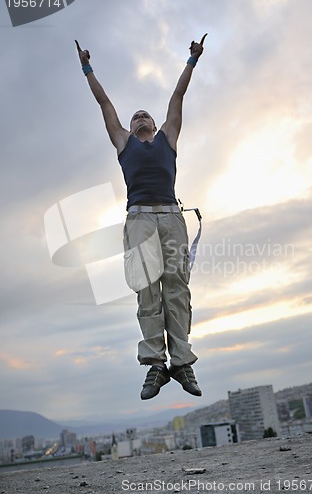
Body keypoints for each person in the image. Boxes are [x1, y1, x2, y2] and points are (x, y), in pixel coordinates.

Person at [75, 35, 206, 400]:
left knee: (176, 289)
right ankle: (155, 365)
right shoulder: (123, 142)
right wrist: (87, 68)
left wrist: (192, 60)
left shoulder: (168, 137)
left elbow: (177, 98)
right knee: (147, 292)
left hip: (171, 216)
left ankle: (181, 362)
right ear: (130, 128)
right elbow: (104, 102)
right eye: (135, 117)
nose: (141, 117)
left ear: (155, 122)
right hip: (139, 220)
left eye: (145, 114)